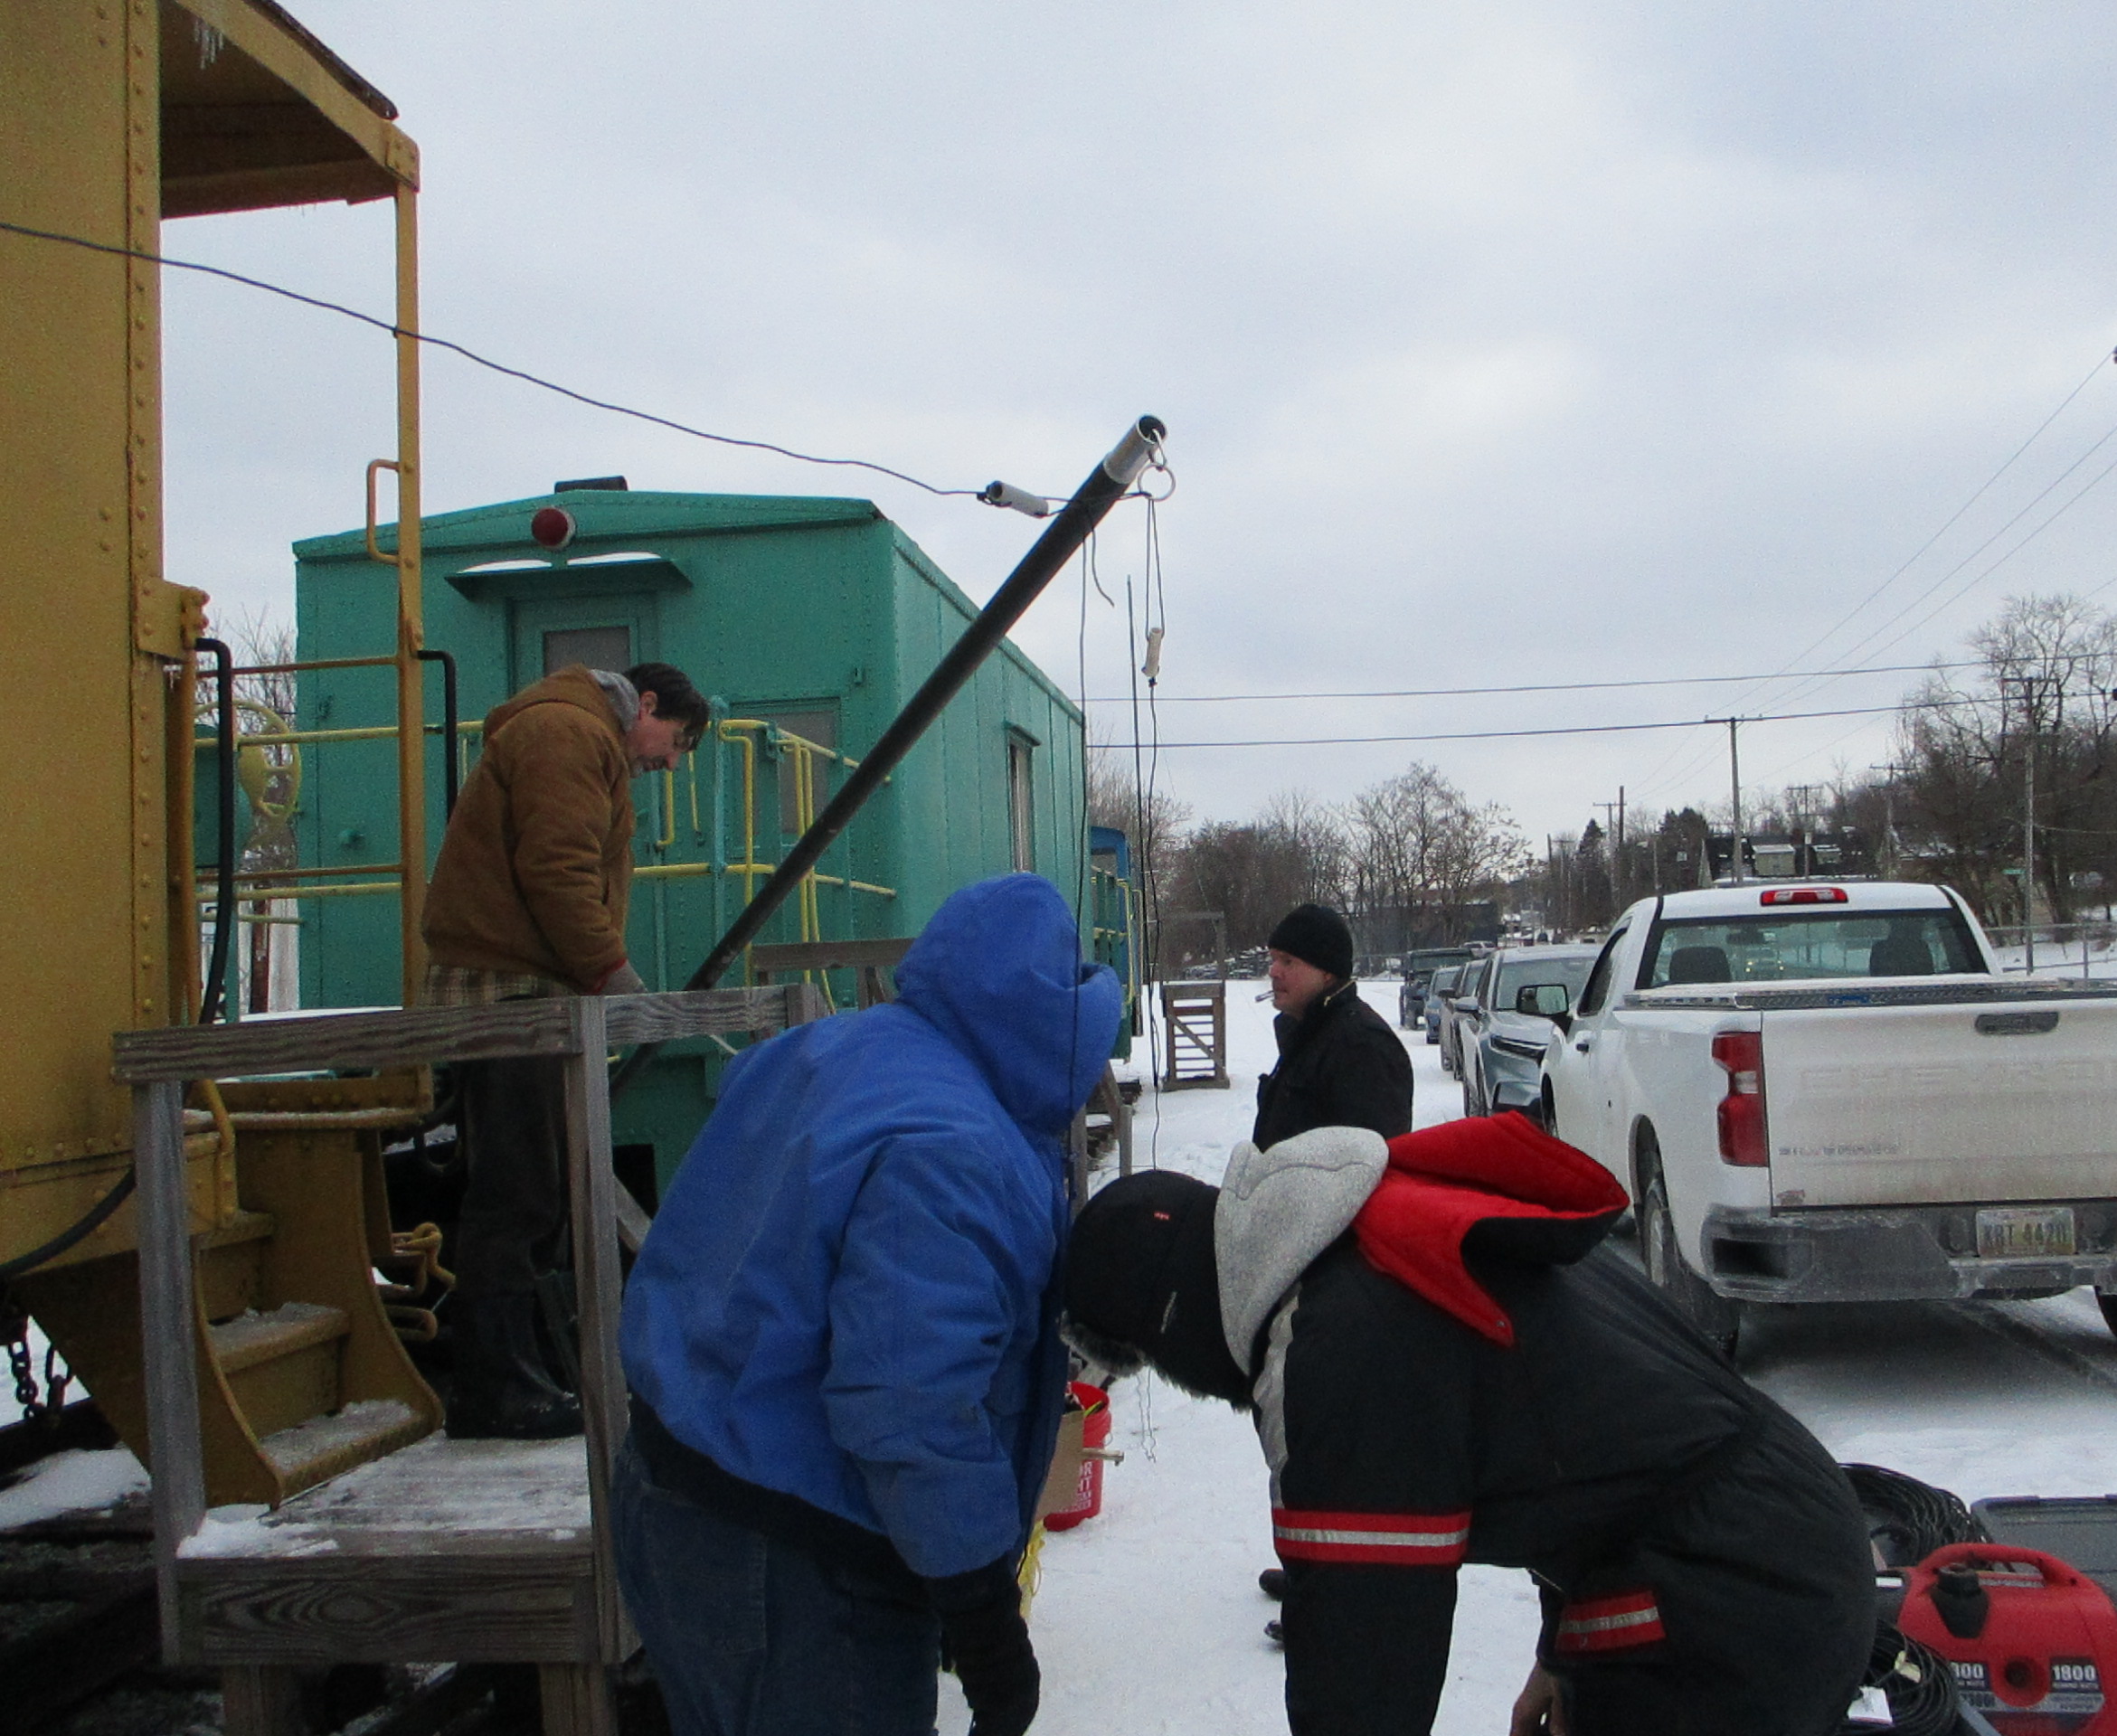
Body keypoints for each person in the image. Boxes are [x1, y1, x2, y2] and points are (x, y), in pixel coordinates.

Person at [1063, 1114, 1876, 1736]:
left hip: (1733, 1596)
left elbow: (1364, 1666)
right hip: (1760, 1537)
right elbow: (1591, 1436)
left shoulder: (1335, 1351)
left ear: (1174, 1326)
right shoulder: (1368, 1228)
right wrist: (1565, 1649)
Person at [614, 873, 1121, 1736]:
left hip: (670, 1491)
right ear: (1061, 1020)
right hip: (802, 1563)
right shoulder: (959, 1151)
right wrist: (980, 1609)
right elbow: (909, 1404)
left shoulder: (820, 1051)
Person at [421, 660, 709, 1439]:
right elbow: (556, 867)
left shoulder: (571, 732)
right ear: (643, 705)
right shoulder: (571, 733)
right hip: (510, 993)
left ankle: (515, 1372)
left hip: (527, 988)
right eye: (674, 740)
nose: (669, 762)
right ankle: (493, 1390)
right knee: (520, 1188)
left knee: (534, 1186)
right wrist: (613, 973)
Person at [1253, 903, 1413, 1151]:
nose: (1274, 971)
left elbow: (1371, 1164)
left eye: (1288, 961)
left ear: (1327, 972)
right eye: (1273, 959)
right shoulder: (1307, 1032)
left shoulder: (1362, 1045)